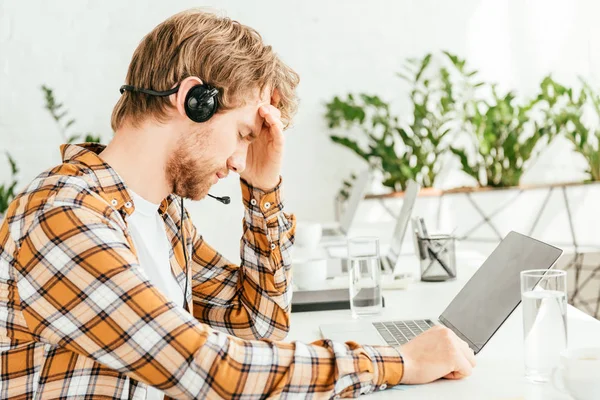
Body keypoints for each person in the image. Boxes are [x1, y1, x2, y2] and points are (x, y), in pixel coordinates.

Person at [0, 9, 476, 399]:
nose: (237, 161)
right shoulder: (62, 216)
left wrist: (263, 191)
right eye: (243, 134)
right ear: (193, 101)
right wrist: (402, 361)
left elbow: (260, 326)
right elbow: (207, 366)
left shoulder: (160, 216)